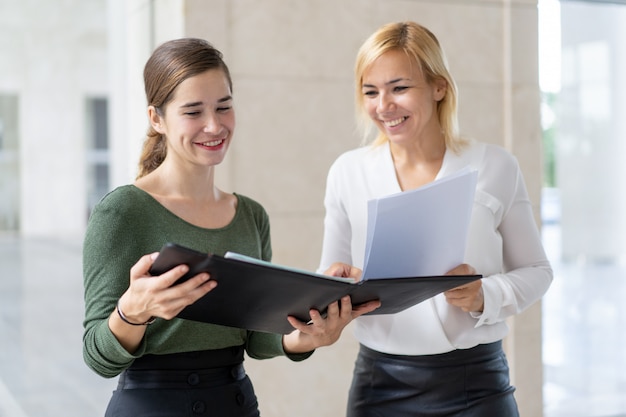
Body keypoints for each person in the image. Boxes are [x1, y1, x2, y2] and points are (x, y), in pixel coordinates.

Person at [82, 37, 380, 417]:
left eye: (224, 107)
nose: (214, 125)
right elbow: (97, 356)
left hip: (235, 403)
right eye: (193, 112)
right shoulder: (121, 213)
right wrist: (133, 311)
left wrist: (307, 335)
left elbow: (258, 339)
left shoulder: (250, 215)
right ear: (156, 118)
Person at [317, 21, 554, 417]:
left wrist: (484, 295)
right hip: (379, 386)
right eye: (370, 91)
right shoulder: (348, 171)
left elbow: (537, 270)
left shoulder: (494, 166)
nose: (383, 105)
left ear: (439, 87)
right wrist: (335, 284)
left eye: (399, 88)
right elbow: (327, 274)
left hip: (476, 385)